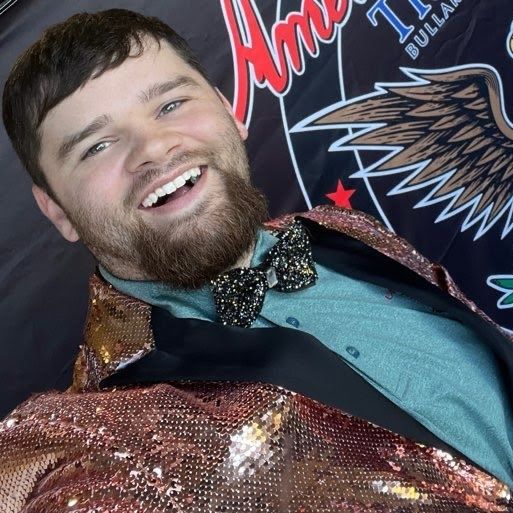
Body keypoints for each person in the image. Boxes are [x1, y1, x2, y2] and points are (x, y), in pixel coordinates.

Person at [0, 8, 512, 512]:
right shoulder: (87, 438)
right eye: (97, 146)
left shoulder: (341, 228)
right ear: (57, 211)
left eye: (170, 105)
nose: (154, 147)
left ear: (229, 109)